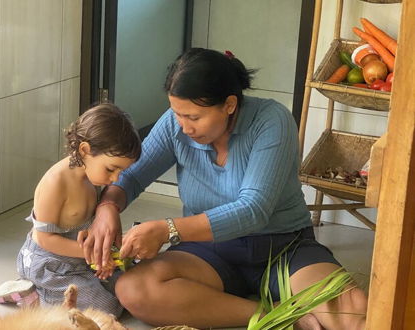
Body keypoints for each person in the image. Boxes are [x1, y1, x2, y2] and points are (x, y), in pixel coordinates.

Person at [81, 48, 368, 329]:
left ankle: (227, 305)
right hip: (208, 252)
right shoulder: (174, 124)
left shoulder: (271, 121)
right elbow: (129, 177)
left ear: (229, 105)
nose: (184, 126)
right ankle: (275, 314)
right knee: (135, 290)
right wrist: (108, 207)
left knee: (355, 315)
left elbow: (254, 209)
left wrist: (167, 229)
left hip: (282, 248)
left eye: (193, 117)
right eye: (177, 113)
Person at [14, 103, 141, 317]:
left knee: (130, 287)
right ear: (84, 150)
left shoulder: (92, 176)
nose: (116, 179)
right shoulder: (55, 183)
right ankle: (34, 294)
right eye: (111, 169)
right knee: (106, 309)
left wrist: (107, 252)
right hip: (51, 264)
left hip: (81, 259)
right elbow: (44, 239)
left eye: (122, 171)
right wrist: (92, 255)